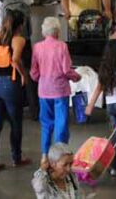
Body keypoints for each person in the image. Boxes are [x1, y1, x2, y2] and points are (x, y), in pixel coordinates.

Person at [0, 11, 31, 171]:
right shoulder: (19, 39)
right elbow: (15, 60)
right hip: (10, 84)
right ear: (21, 25)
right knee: (15, 123)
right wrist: (24, 75)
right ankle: (16, 157)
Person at [31, 17, 81, 159]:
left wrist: (38, 79)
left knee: (46, 124)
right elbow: (66, 70)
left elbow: (34, 72)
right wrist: (76, 77)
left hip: (44, 90)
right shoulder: (62, 46)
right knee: (61, 123)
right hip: (59, 91)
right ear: (57, 31)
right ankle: (60, 155)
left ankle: (45, 155)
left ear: (43, 32)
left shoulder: (37, 47)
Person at [85, 39, 116, 176]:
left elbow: (98, 89)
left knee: (115, 136)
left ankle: (111, 165)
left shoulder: (104, 69)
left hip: (110, 106)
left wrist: (90, 106)